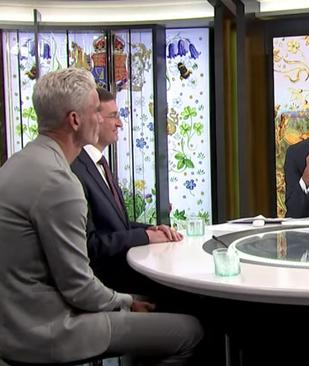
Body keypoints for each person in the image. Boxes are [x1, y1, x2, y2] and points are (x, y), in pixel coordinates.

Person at [0, 68, 202, 364]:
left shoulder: (15, 164)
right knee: (190, 331)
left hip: (11, 326)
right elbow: (79, 288)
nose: (104, 118)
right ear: (75, 120)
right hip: (48, 330)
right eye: (97, 110)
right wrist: (127, 302)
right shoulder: (59, 181)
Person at [71, 87, 182, 295]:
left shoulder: (99, 164)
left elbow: (116, 226)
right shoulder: (76, 170)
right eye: (113, 116)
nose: (120, 123)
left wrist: (153, 229)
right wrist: (145, 237)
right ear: (93, 118)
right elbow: (90, 244)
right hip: (111, 284)